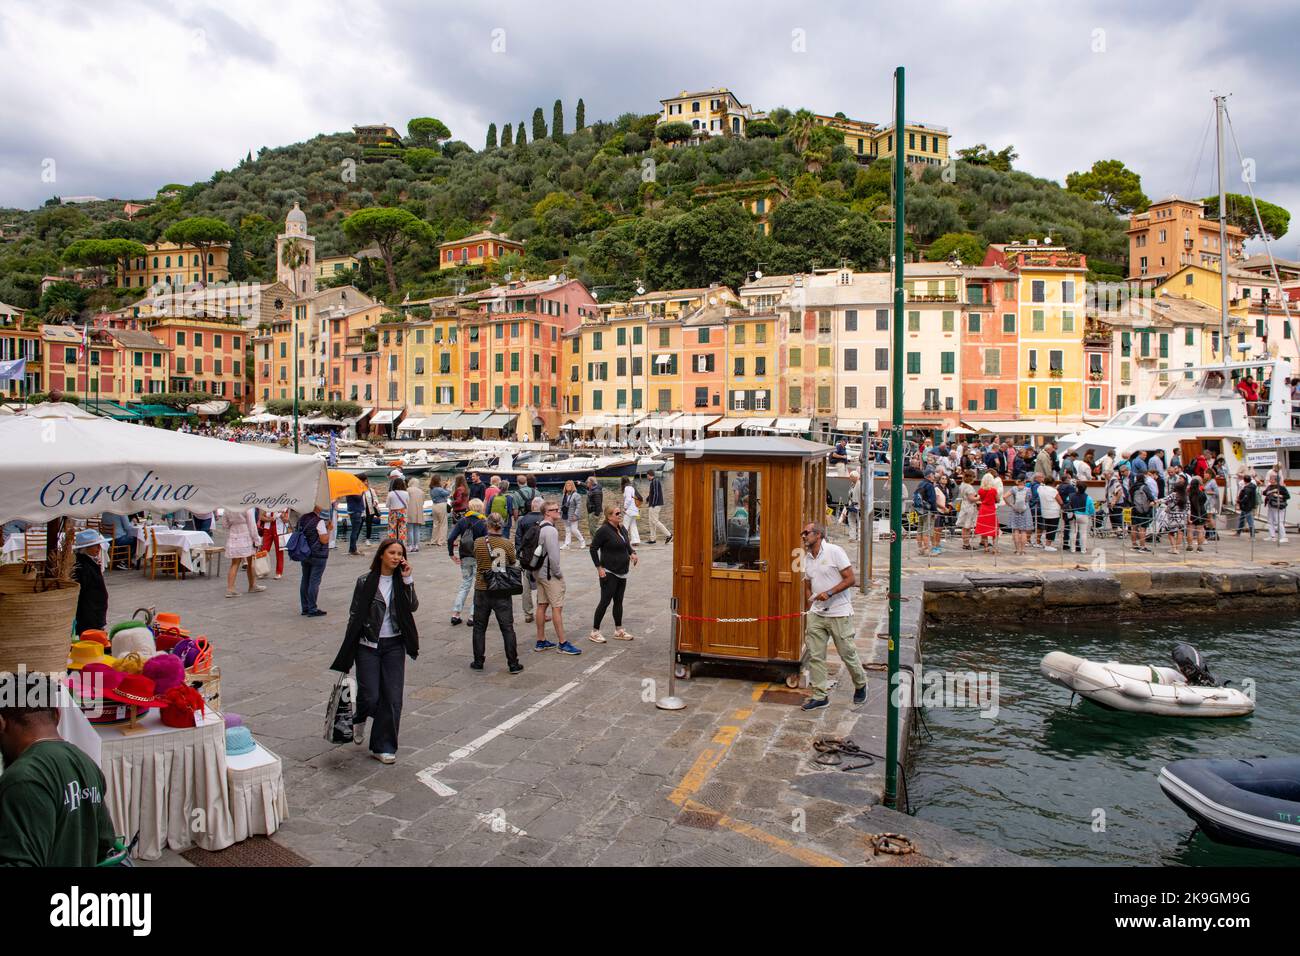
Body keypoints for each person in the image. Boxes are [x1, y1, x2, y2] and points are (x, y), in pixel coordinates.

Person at [0, 674, 117, 866]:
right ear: (57, 714)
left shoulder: (21, 779)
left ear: (1, 723)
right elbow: (105, 843)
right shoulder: (85, 761)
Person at [331, 538, 419, 765]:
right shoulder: (365, 582)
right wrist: (349, 648)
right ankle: (361, 716)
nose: (397, 557)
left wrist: (408, 579)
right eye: (392, 552)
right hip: (367, 645)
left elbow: (412, 607)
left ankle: (383, 746)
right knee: (370, 695)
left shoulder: (402, 581)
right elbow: (355, 614)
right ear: (381, 554)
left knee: (392, 697)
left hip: (394, 644)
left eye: (400, 553)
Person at [798, 522, 867, 713]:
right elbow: (808, 583)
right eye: (803, 533)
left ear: (818, 535)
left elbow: (850, 579)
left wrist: (829, 593)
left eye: (807, 533)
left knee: (847, 653)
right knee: (815, 655)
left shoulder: (834, 551)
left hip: (839, 612)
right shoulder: (808, 558)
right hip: (817, 614)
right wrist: (809, 606)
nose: (803, 536)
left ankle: (860, 683)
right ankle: (820, 695)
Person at [471, 514, 523, 674]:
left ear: (487, 525)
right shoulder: (506, 544)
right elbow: (513, 561)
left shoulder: (478, 543)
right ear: (502, 525)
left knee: (479, 627)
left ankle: (478, 661)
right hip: (501, 588)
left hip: (482, 587)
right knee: (507, 628)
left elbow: (476, 558)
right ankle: (513, 663)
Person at [531, 499, 582, 656]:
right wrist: (559, 574)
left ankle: (541, 640)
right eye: (554, 510)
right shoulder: (551, 531)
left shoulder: (539, 526)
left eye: (558, 509)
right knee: (557, 607)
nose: (558, 511)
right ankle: (562, 643)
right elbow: (554, 557)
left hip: (538, 572)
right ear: (547, 512)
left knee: (541, 605)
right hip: (549, 574)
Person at [589, 502, 637, 643]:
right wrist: (599, 567)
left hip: (622, 570)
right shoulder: (603, 530)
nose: (620, 515)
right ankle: (594, 631)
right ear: (609, 516)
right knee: (605, 601)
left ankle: (619, 630)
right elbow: (593, 548)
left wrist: (632, 553)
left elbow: (626, 544)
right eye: (617, 513)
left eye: (620, 512)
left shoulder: (621, 528)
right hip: (609, 571)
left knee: (619, 601)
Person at [446, 499, 488, 626]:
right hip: (478, 556)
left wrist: (451, 554)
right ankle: (473, 615)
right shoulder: (483, 522)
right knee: (479, 585)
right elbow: (487, 542)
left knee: (465, 584)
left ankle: (456, 613)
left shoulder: (462, 521)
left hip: (464, 556)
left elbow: (450, 538)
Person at [295, 506, 332, 616]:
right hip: (318, 554)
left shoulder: (302, 519)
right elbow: (324, 540)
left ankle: (305, 607)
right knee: (314, 581)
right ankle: (312, 608)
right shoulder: (318, 521)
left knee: (305, 580)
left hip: (305, 553)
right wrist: (329, 529)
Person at [71, 529, 109, 635]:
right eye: (95, 545)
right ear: (85, 548)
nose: (99, 548)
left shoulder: (88, 561)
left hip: (94, 612)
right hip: (89, 614)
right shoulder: (82, 566)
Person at [515, 496, 546, 624]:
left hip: (526, 557)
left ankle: (528, 613)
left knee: (526, 585)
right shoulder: (545, 520)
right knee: (542, 585)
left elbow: (518, 538)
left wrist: (519, 554)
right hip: (541, 557)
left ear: (532, 506)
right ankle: (541, 611)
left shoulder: (523, 520)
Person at [223, 507, 265, 598]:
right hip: (246, 535)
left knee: (234, 563)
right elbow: (252, 525)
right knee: (251, 561)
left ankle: (231, 588)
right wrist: (257, 540)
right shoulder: (247, 507)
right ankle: (251, 585)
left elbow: (225, 524)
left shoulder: (227, 507)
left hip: (234, 534)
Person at [1004, 476, 1033, 555]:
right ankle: (1023, 550)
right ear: (1024, 481)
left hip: (1015, 509)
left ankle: (1017, 550)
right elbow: (1029, 499)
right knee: (1023, 531)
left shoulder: (1013, 488)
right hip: (1025, 510)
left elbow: (1004, 496)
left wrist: (1010, 504)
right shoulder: (1028, 489)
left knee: (1016, 530)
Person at [913, 470, 939, 556]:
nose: (934, 476)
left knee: (919, 530)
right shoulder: (930, 485)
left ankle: (920, 549)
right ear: (930, 475)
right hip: (928, 510)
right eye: (933, 474)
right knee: (927, 531)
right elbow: (932, 500)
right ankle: (927, 550)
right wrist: (934, 512)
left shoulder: (921, 483)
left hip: (920, 509)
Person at [644, 471, 672, 544]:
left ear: (650, 475)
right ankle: (653, 539)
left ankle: (669, 535)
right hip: (653, 504)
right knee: (651, 522)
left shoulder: (655, 481)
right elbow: (652, 493)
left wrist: (653, 503)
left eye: (647, 476)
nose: (647, 477)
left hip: (655, 505)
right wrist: (647, 499)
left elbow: (656, 493)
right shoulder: (654, 482)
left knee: (655, 521)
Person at [1037, 476, 1063, 551]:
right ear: (1053, 482)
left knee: (1048, 528)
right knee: (1052, 528)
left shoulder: (1040, 488)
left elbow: (1040, 486)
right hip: (1054, 512)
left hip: (1045, 511)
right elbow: (1060, 501)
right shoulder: (1053, 491)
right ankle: (1048, 545)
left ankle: (1047, 544)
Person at [1162, 480, 1189, 554]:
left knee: (1171, 533)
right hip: (1182, 517)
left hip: (1173, 517)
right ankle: (1177, 548)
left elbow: (1164, 500)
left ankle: (1173, 548)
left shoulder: (1173, 495)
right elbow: (1188, 508)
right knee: (1180, 533)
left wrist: (1155, 502)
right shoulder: (1186, 496)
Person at [257, 508, 284, 578]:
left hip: (279, 530)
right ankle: (262, 570)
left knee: (279, 551)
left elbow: (286, 520)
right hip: (267, 529)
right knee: (264, 550)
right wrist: (269, 519)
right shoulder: (266, 503)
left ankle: (279, 572)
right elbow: (261, 517)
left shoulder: (284, 505)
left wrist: (282, 516)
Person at [1263, 474, 1291, 543]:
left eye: (1271, 478)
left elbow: (1287, 496)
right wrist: (1271, 491)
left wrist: (1279, 495)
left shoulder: (1281, 487)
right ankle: (1272, 536)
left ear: (1275, 480)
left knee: (1279, 521)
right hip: (1271, 505)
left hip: (1278, 506)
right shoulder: (1270, 486)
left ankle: (1284, 537)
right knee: (1270, 521)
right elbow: (1264, 493)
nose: (1269, 480)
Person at [560, 479, 586, 549]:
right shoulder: (564, 495)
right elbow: (561, 505)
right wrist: (560, 512)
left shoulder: (576, 495)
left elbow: (578, 506)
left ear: (572, 486)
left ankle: (582, 541)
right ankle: (567, 544)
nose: (567, 486)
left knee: (574, 529)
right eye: (566, 485)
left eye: (569, 485)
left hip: (573, 515)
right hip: (565, 514)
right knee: (567, 530)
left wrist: (575, 514)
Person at [956, 470, 978, 550]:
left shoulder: (962, 484)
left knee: (964, 527)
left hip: (964, 505)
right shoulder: (969, 487)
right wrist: (979, 497)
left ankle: (965, 543)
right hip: (969, 507)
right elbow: (971, 499)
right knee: (967, 526)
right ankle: (966, 543)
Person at [405, 478, 426, 553]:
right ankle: (416, 545)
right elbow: (423, 502)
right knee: (417, 529)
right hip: (419, 511)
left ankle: (410, 546)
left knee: (410, 530)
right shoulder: (421, 492)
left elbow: (406, 501)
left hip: (410, 511)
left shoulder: (408, 490)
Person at [428, 475, 450, 546]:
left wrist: (444, 487)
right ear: (438, 481)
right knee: (443, 524)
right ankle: (441, 541)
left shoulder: (432, 489)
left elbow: (441, 492)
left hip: (434, 506)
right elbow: (447, 493)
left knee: (436, 524)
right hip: (441, 505)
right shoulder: (439, 489)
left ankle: (434, 540)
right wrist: (448, 487)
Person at [1187, 476, 1208, 552]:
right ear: (1199, 485)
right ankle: (1200, 546)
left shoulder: (1189, 494)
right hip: (1201, 513)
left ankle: (1189, 545)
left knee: (1190, 531)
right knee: (1200, 530)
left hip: (1191, 513)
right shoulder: (1202, 494)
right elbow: (1204, 502)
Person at [386, 476, 410, 542]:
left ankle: (392, 543)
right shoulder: (406, 493)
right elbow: (408, 503)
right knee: (402, 528)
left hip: (393, 513)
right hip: (402, 512)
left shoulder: (390, 494)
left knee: (392, 529)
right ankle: (401, 544)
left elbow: (387, 505)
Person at [621, 476, 642, 546]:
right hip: (634, 509)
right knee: (633, 525)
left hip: (629, 510)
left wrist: (625, 508)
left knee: (625, 525)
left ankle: (623, 541)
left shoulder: (627, 488)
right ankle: (636, 540)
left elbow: (628, 499)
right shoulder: (632, 487)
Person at [1235, 473, 1258, 538]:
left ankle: (1252, 535)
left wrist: (1239, 501)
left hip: (1247, 506)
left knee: (1250, 521)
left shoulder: (1248, 488)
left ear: (1244, 480)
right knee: (1242, 519)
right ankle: (1238, 532)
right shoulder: (1252, 486)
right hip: (1247, 506)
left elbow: (1246, 498)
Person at [346, 486, 367, 556]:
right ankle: (353, 549)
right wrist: (362, 491)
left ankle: (352, 548)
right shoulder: (353, 489)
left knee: (354, 531)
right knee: (355, 531)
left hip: (353, 511)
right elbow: (358, 498)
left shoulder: (349, 489)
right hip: (356, 511)